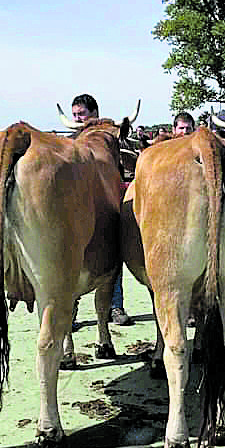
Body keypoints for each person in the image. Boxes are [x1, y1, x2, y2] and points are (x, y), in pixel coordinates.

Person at [69, 93, 133, 326]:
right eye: (75, 115)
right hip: (79, 206)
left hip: (107, 203)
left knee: (112, 253)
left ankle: (115, 307)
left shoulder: (110, 135)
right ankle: (71, 310)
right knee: (73, 256)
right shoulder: (72, 141)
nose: (77, 119)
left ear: (94, 114)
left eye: (82, 114)